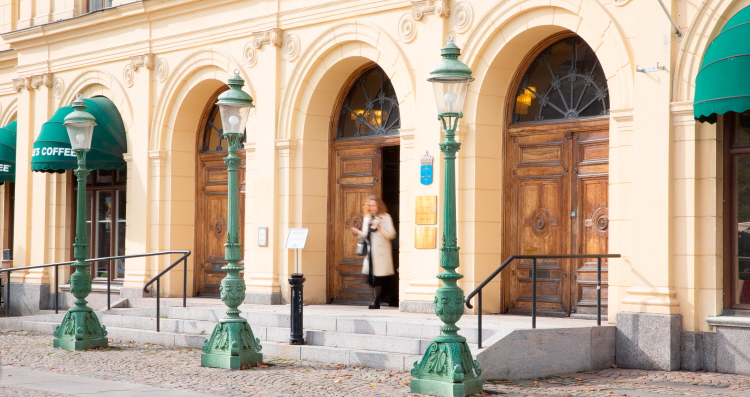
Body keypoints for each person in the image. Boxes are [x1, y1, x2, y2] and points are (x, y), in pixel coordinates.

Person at [350, 196, 396, 309]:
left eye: (374, 205)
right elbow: (366, 235)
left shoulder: (386, 217)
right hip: (371, 253)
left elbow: (392, 234)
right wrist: (358, 232)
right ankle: (376, 300)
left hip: (381, 252)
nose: (372, 208)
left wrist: (380, 228)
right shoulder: (367, 218)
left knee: (378, 278)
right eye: (370, 205)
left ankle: (376, 301)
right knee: (372, 277)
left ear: (379, 205)